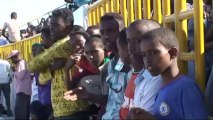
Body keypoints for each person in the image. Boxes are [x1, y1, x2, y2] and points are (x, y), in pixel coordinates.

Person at [127, 28, 208, 119]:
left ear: (172, 53)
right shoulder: (162, 87)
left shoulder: (185, 87)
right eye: (144, 55)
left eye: (154, 52)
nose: (147, 60)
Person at [64, 13, 131, 120]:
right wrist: (89, 95)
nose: (106, 36)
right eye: (103, 32)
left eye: (111, 31)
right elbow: (112, 99)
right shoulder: (111, 64)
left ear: (122, 32)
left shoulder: (132, 63)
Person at [28, 8, 90, 119]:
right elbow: (41, 80)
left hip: (73, 109)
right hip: (62, 110)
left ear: (68, 27)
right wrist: (51, 69)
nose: (51, 28)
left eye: (56, 25)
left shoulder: (64, 44)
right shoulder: (57, 46)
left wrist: (48, 69)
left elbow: (32, 66)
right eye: (51, 24)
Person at [120, 19, 162, 120]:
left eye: (138, 41)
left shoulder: (158, 77)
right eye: (129, 41)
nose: (130, 47)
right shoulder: (143, 74)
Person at [30, 43, 52, 120]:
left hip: (51, 102)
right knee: (33, 106)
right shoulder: (36, 66)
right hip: (41, 101)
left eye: (35, 50)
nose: (33, 52)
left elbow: (42, 81)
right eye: (32, 50)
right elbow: (38, 82)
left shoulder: (48, 63)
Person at [7, 50, 32, 120]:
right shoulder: (21, 63)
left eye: (12, 58)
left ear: (17, 57)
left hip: (22, 92)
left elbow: (21, 75)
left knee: (20, 113)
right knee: (24, 113)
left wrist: (14, 71)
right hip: (24, 92)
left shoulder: (21, 63)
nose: (12, 60)